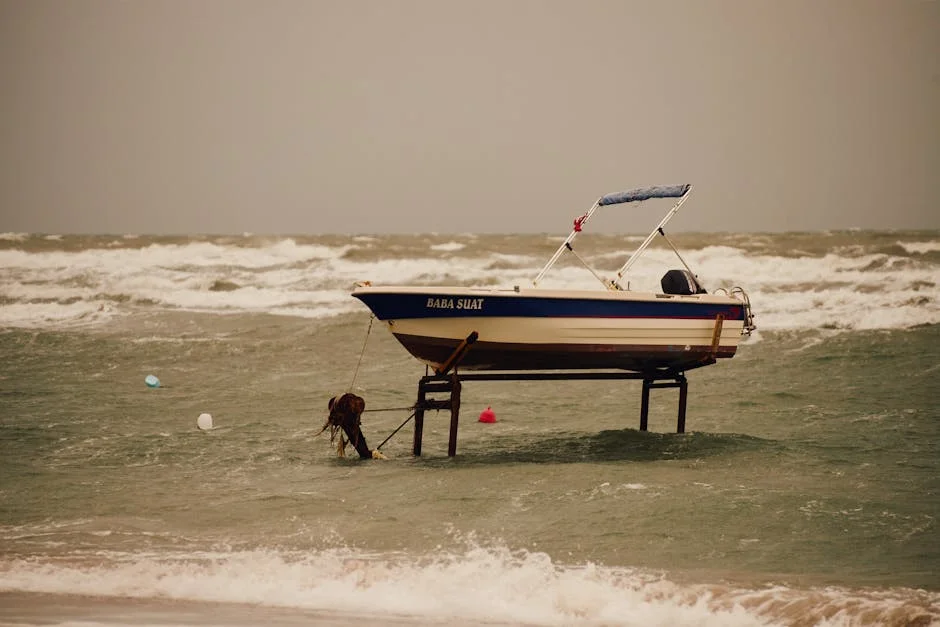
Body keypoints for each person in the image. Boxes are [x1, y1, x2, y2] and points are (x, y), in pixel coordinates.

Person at [322, 393, 386, 459]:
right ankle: (368, 454)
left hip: (347, 413)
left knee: (363, 449)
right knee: (362, 449)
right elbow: (336, 417)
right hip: (343, 416)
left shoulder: (353, 403)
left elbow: (356, 416)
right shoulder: (343, 407)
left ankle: (368, 453)